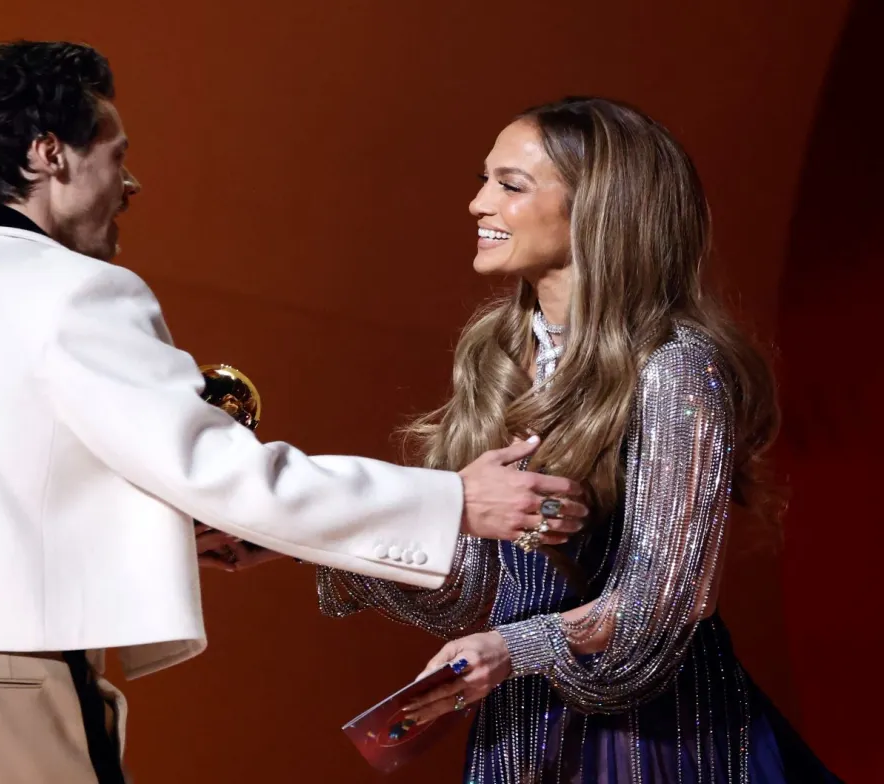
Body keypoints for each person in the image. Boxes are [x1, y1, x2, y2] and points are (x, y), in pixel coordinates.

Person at [0, 42, 589, 784]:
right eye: (115, 157)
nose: (130, 185)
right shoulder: (75, 291)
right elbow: (224, 472)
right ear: (50, 155)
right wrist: (453, 502)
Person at [316, 97, 841, 782]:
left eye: (509, 184)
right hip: (526, 729)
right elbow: (472, 584)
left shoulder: (676, 366)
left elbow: (665, 603)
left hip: (653, 738)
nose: (477, 203)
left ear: (598, 210)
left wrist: (512, 649)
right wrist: (318, 532)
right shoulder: (496, 353)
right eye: (485, 180)